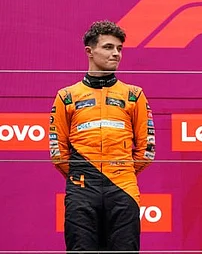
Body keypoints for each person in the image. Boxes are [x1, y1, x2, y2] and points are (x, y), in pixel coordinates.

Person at [49, 20, 155, 252]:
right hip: (81, 189)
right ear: (90, 51)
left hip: (123, 186)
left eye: (119, 49)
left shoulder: (134, 95)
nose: (116, 54)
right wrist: (85, 172)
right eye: (108, 47)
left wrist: (119, 170)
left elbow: (147, 149)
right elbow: (58, 151)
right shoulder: (66, 96)